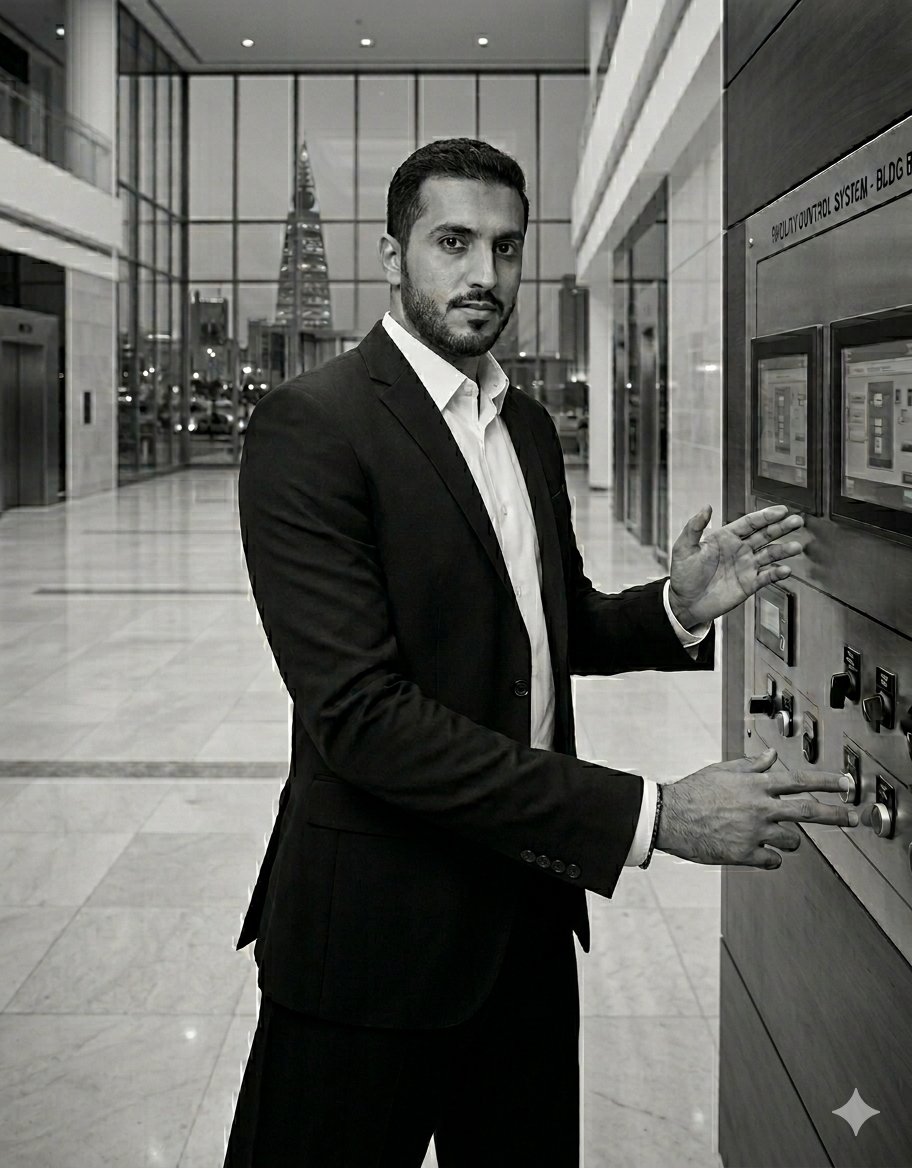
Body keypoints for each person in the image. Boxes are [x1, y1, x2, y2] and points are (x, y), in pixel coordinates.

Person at [224, 139, 857, 1167]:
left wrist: (675, 606)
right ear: (391, 255)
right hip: (374, 944)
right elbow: (363, 721)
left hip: (523, 923)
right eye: (453, 243)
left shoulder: (521, 424)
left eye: (507, 247)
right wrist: (655, 814)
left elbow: (551, 627)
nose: (485, 273)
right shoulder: (314, 426)